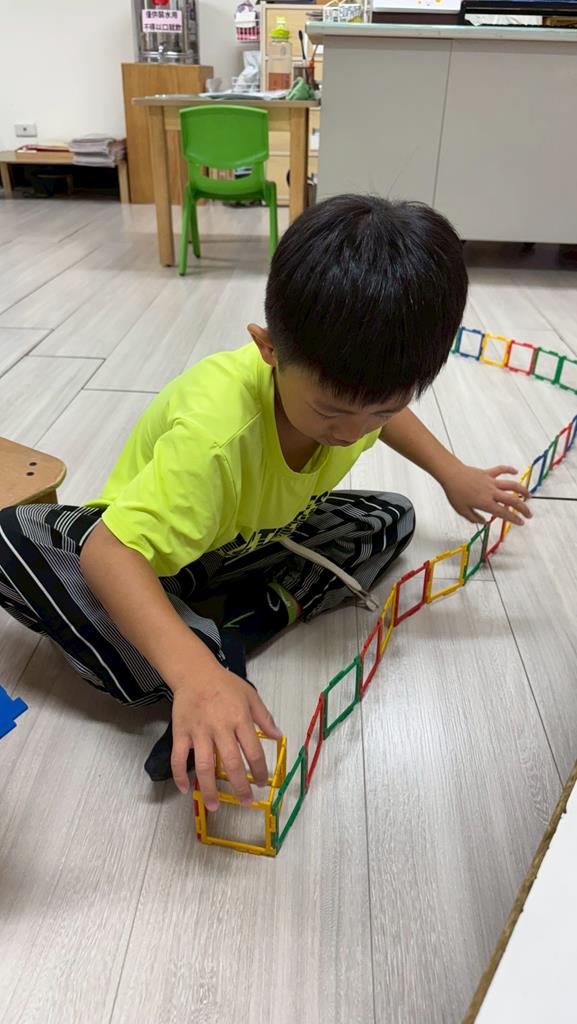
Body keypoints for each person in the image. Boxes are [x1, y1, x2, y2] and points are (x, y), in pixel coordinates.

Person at [0, 195, 531, 812]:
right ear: (268, 347)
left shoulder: (356, 398)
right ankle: (202, 659)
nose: (352, 432)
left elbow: (375, 413)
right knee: (13, 537)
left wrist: (451, 472)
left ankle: (238, 629)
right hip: (140, 557)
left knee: (389, 517)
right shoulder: (215, 437)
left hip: (243, 542)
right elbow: (108, 551)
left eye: (380, 411)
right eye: (331, 412)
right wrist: (193, 676)